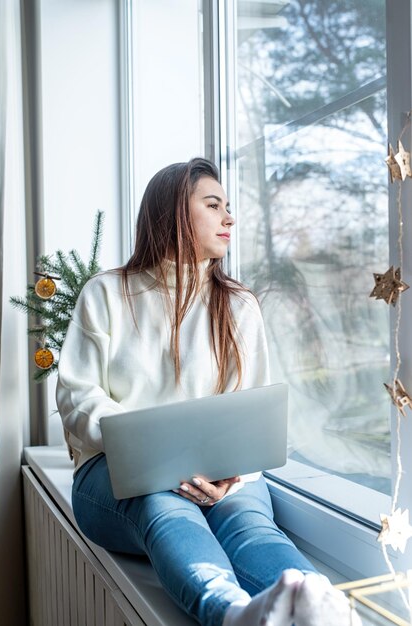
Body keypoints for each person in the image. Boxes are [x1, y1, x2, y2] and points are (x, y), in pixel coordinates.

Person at [56, 157, 361, 626]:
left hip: (223, 476)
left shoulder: (239, 305)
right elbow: (78, 398)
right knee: (165, 505)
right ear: (174, 211)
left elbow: (252, 409)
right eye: (214, 205)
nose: (229, 218)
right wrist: (155, 460)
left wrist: (232, 475)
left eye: (229, 207)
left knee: (249, 525)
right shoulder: (107, 293)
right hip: (116, 479)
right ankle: (232, 614)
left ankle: (319, 604)